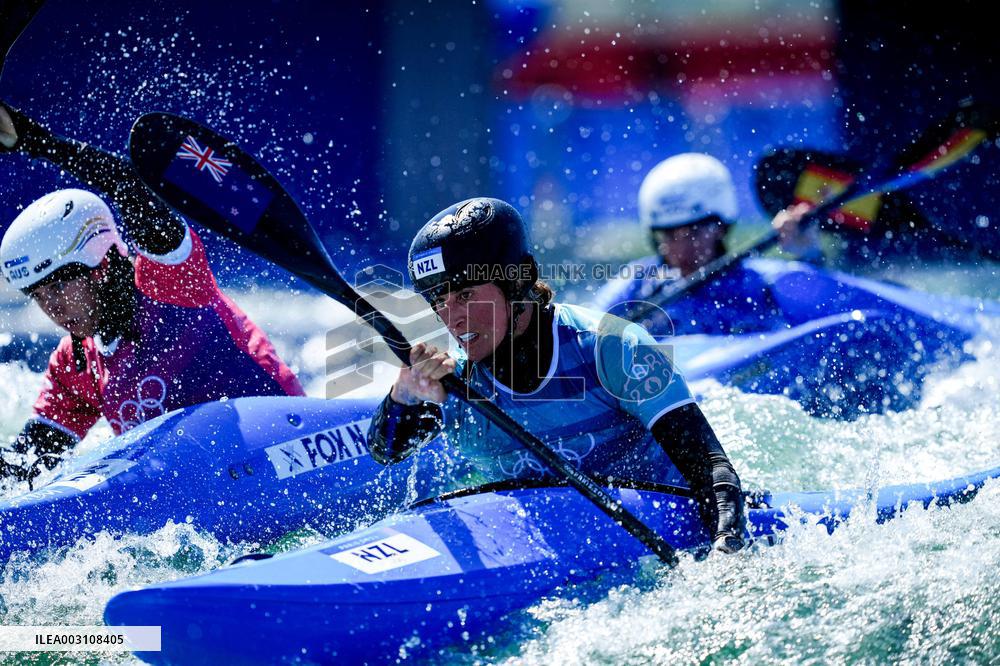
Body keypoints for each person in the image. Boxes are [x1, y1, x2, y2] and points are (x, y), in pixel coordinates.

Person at [367, 197, 746, 554]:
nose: (452, 318)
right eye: (437, 301)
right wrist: (404, 396)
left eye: (465, 295)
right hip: (537, 543)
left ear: (520, 278)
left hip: (658, 530)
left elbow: (713, 470)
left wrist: (726, 545)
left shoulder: (612, 347)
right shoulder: (451, 385)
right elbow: (386, 452)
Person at [0, 103, 304, 486]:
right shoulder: (76, 363)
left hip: (284, 458)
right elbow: (29, 462)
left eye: (60, 285)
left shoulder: (172, 285)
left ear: (103, 266)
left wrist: (39, 143)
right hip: (204, 496)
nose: (52, 308)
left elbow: (130, 187)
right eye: (38, 295)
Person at [591, 152, 818, 335]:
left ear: (721, 227)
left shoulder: (761, 282)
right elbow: (582, 331)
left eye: (693, 232)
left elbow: (827, 312)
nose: (681, 248)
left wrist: (808, 253)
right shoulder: (636, 284)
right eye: (669, 234)